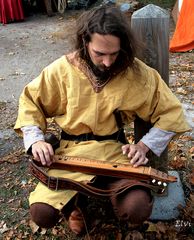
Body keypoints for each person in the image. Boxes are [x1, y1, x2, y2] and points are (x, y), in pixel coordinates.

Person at [14, 5, 190, 235]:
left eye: (114, 53)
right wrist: (36, 140)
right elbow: (30, 103)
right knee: (42, 214)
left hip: (114, 151)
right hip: (71, 153)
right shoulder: (61, 70)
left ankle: (110, 197)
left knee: (137, 208)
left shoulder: (136, 73)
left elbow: (171, 112)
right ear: (84, 41)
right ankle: (74, 207)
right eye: (100, 54)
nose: (108, 62)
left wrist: (143, 145)